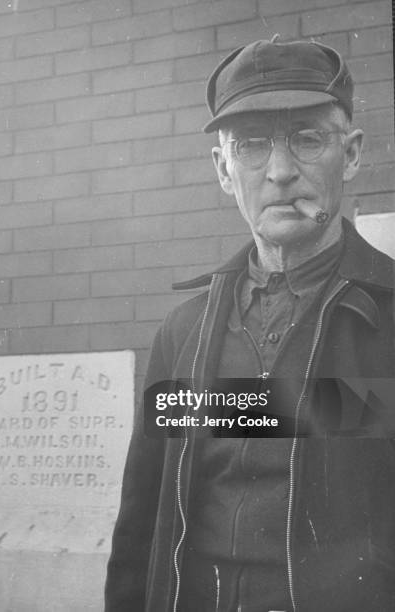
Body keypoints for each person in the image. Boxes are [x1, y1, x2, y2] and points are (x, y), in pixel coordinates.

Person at [104, 38, 395, 612]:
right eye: (252, 147)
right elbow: (139, 526)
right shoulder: (182, 333)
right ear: (223, 168)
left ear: (353, 153)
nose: (281, 172)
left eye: (308, 138)